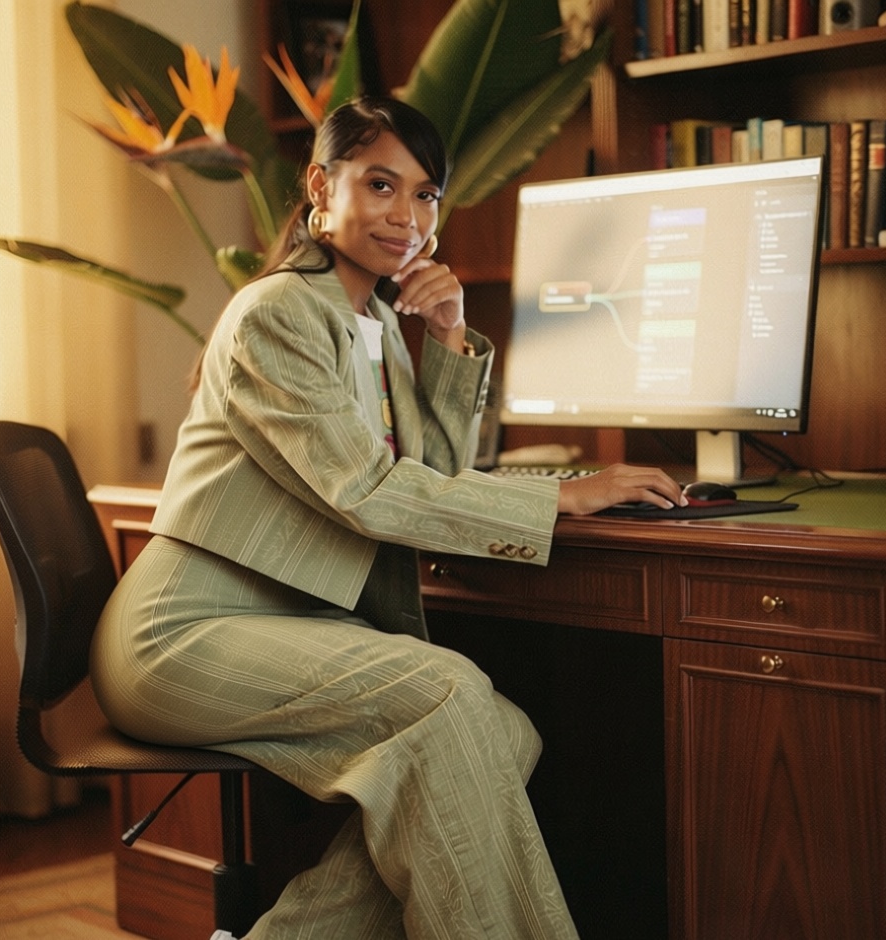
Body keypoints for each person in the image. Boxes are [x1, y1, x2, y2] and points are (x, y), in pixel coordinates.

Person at [90, 96, 685, 940]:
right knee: (449, 697)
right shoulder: (275, 315)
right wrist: (560, 492)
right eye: (379, 184)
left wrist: (445, 337)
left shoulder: (369, 321)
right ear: (319, 188)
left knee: (498, 735)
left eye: (425, 194)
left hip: (280, 627)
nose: (406, 216)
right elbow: (369, 493)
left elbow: (433, 482)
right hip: (183, 633)